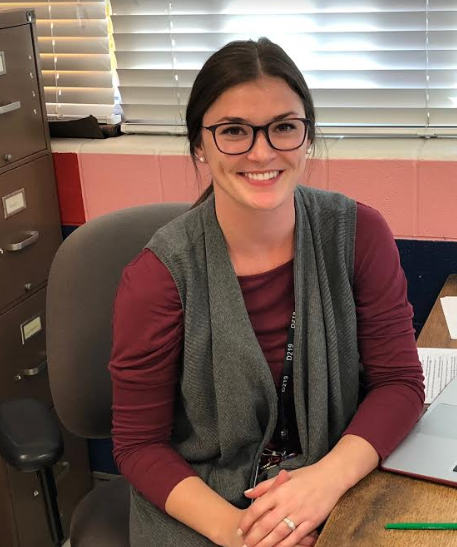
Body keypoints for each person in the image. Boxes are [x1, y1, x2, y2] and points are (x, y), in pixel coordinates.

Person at [108, 37, 425, 547]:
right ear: (199, 145)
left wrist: (326, 481)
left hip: (330, 487)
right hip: (205, 508)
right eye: (233, 131)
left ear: (307, 137)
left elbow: (399, 383)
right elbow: (138, 444)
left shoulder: (359, 234)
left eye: (283, 128)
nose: (262, 151)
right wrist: (243, 533)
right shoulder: (159, 277)